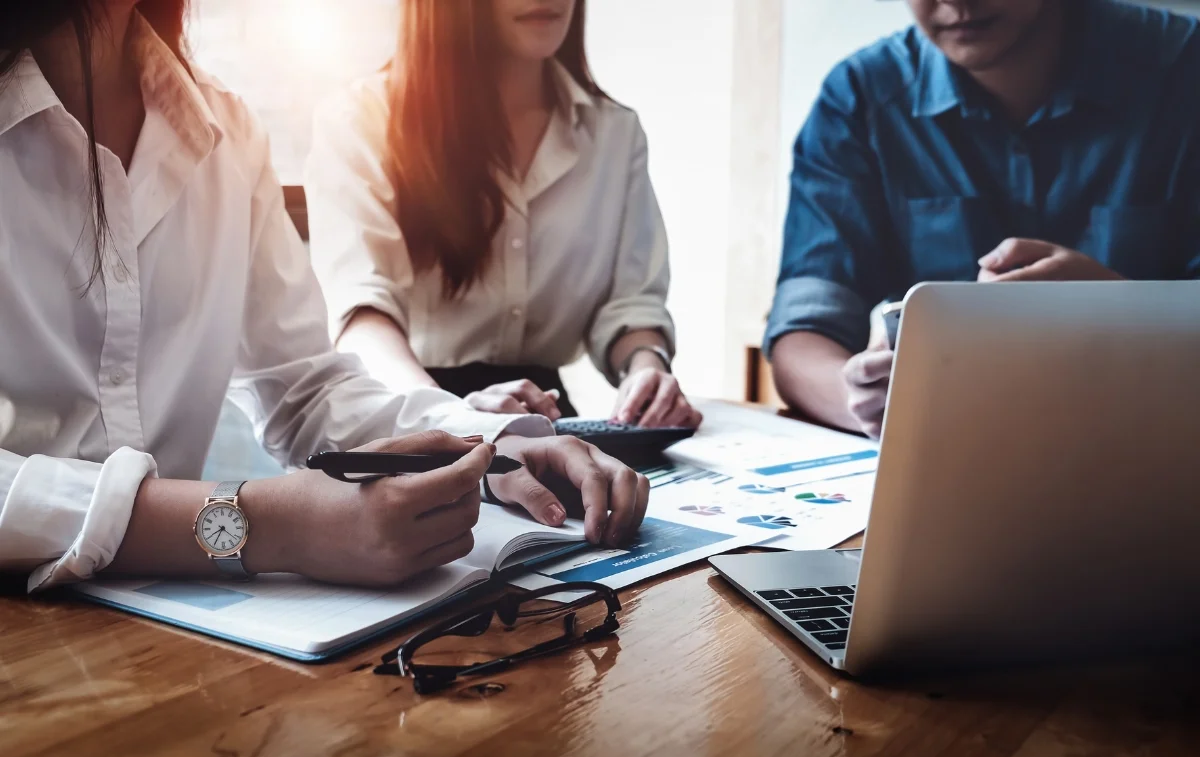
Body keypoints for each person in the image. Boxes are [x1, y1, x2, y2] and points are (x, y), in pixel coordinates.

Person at [0, 0, 648, 593]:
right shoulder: (354, 118)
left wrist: (486, 444)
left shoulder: (222, 129)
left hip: (168, 633)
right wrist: (271, 524)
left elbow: (304, 387)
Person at [765, 0, 1200, 440]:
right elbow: (804, 329)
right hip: (952, 453)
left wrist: (1128, 317)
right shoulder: (860, 96)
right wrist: (864, 402)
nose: (954, 2)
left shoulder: (1186, 69)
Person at [304, 0, 701, 430]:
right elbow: (362, 314)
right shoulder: (360, 120)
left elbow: (630, 305)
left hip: (541, 415)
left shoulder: (614, 134)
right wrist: (449, 417)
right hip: (404, 410)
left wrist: (647, 367)